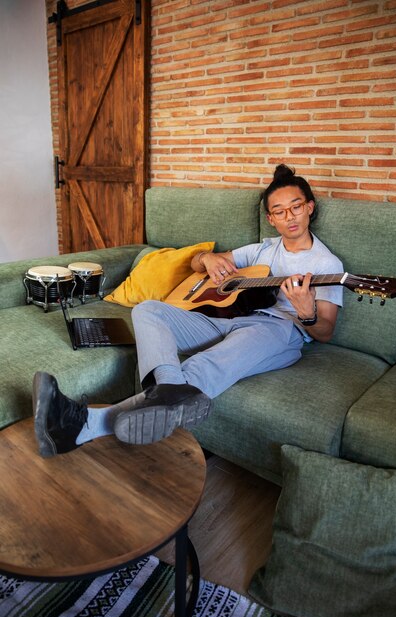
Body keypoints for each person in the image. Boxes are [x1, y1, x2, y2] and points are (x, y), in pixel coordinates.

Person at [33, 164, 343, 458]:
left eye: (296, 206)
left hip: (278, 331)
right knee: (148, 310)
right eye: (279, 210)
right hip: (227, 319)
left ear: (310, 207)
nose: (289, 216)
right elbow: (200, 263)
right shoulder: (261, 249)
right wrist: (207, 259)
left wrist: (307, 313)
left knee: (203, 366)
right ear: (270, 218)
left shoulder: (326, 265)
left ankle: (79, 425)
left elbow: (325, 332)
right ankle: (167, 388)